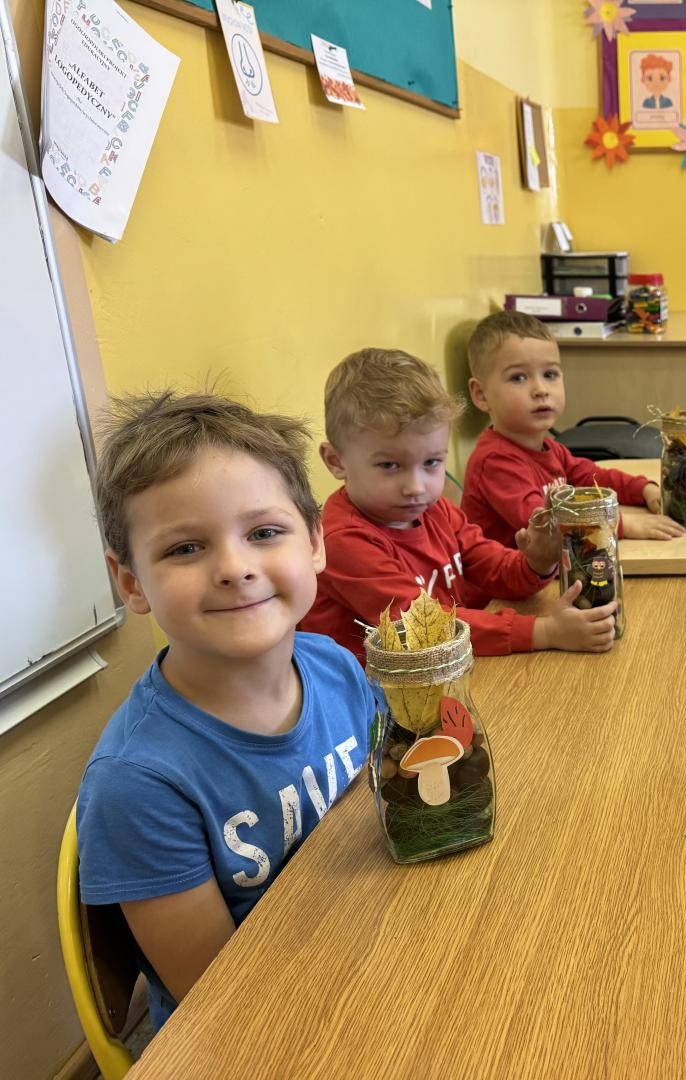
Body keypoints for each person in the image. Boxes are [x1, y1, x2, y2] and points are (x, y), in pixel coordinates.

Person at [77, 391, 373, 1030]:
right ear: (131, 583)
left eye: (264, 533)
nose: (235, 569)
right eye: (185, 549)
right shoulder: (139, 784)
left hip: (367, 946)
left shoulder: (335, 665)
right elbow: (223, 1005)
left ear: (315, 541)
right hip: (261, 1023)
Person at [302, 348, 617, 658]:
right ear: (336, 461)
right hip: (374, 687)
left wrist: (537, 561)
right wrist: (544, 632)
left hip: (448, 663)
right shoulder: (343, 540)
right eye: (389, 465)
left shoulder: (435, 510)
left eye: (431, 462)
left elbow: (493, 568)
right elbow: (425, 629)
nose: (415, 488)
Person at [461, 310, 682, 542]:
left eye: (549, 374)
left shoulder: (548, 448)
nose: (541, 390)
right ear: (481, 395)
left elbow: (592, 477)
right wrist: (623, 524)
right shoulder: (495, 462)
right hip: (520, 566)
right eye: (518, 377)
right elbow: (546, 525)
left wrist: (643, 489)